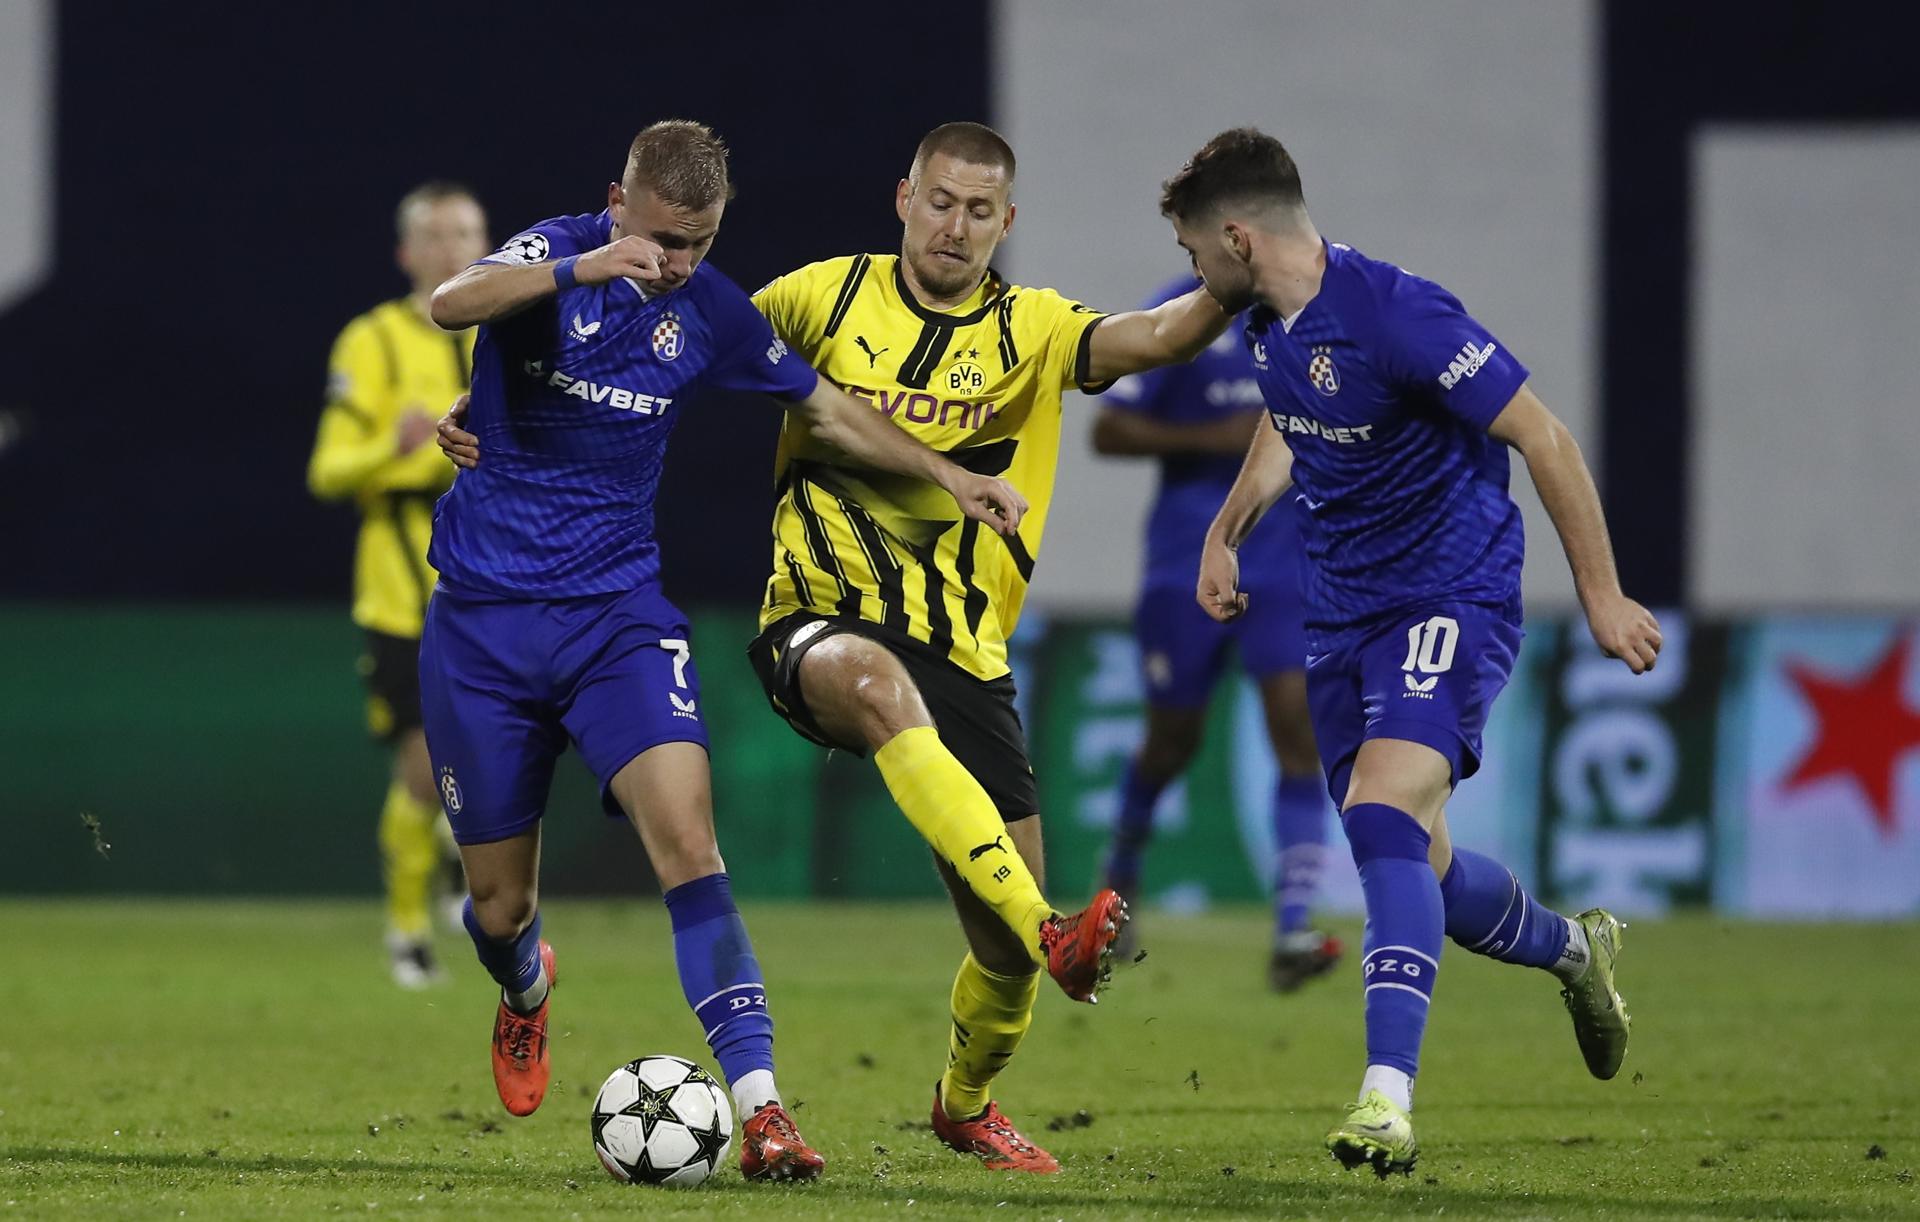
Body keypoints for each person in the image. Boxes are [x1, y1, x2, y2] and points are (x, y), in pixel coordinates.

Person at [440, 121, 1239, 1174]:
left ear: (1008, 222)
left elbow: (1148, 341)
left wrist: (1236, 275)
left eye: (980, 210)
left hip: (844, 635)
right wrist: (519, 348)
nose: (675, 265)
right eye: (941, 201)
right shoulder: (792, 291)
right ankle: (538, 987)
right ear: (903, 197)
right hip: (698, 619)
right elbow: (510, 316)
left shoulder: (1014, 327)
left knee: (932, 935)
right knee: (513, 900)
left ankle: (879, 1104)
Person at [1164, 128, 1661, 1174]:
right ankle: (1578, 950)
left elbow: (1545, 437)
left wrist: (1604, 595)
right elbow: (1288, 414)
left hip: (1448, 599)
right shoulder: (1268, 324)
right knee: (1416, 861)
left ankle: (1386, 1098)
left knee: (1384, 813)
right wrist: (1227, 528)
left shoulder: (1399, 313)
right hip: (1340, 621)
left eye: (1196, 249)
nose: (1193, 271)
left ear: (1240, 236)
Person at [1089, 275, 1339, 992]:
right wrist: (1213, 438)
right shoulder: (1182, 313)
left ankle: (1294, 923)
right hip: (1185, 558)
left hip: (1288, 562)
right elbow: (1109, 427)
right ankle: (1121, 878)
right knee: (1173, 738)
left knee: (1297, 728)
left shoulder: (1319, 318)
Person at [307, 182, 485, 988]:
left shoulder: (507, 335)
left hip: (500, 588)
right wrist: (401, 447)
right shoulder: (372, 342)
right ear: (406, 252)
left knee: (497, 756)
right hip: (402, 596)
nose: (451, 248)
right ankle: (408, 931)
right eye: (435, 235)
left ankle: (459, 851)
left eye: (466, 233)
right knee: (421, 766)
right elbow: (328, 468)